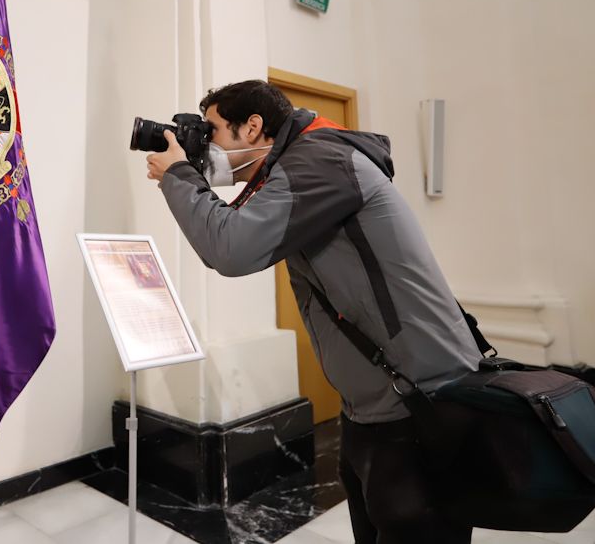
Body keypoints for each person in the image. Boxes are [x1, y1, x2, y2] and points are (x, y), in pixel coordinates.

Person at [143, 79, 482, 544]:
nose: (209, 143)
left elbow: (231, 249)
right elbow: (229, 234)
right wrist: (189, 174)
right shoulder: (294, 167)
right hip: (377, 404)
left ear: (254, 126)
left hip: (419, 402)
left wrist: (179, 175)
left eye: (214, 130)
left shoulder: (320, 160)